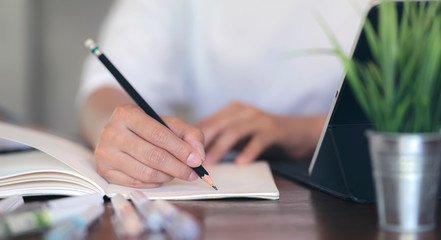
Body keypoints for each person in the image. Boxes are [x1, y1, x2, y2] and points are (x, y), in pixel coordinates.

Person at [77, 0, 370, 188]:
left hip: (355, 182)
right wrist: (114, 126)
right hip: (226, 170)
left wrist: (303, 131)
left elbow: (410, 107)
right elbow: (105, 88)